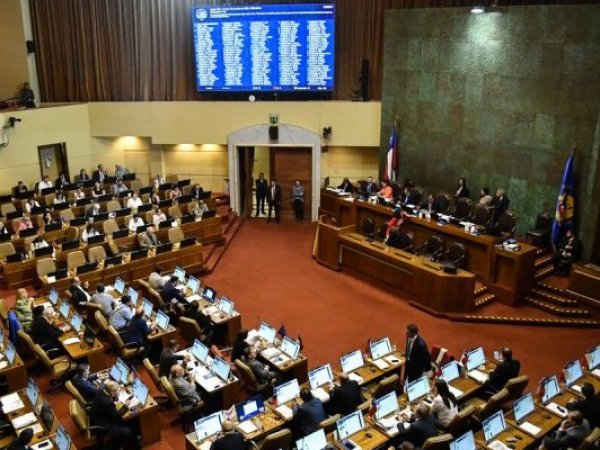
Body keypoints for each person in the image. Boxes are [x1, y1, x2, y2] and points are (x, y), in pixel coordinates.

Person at [89, 380, 138, 449]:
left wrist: (116, 402)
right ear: (112, 391)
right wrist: (125, 406)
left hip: (96, 419)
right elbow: (117, 417)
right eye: (118, 390)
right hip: (103, 426)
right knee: (127, 430)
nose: (118, 392)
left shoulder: (101, 391)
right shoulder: (107, 402)